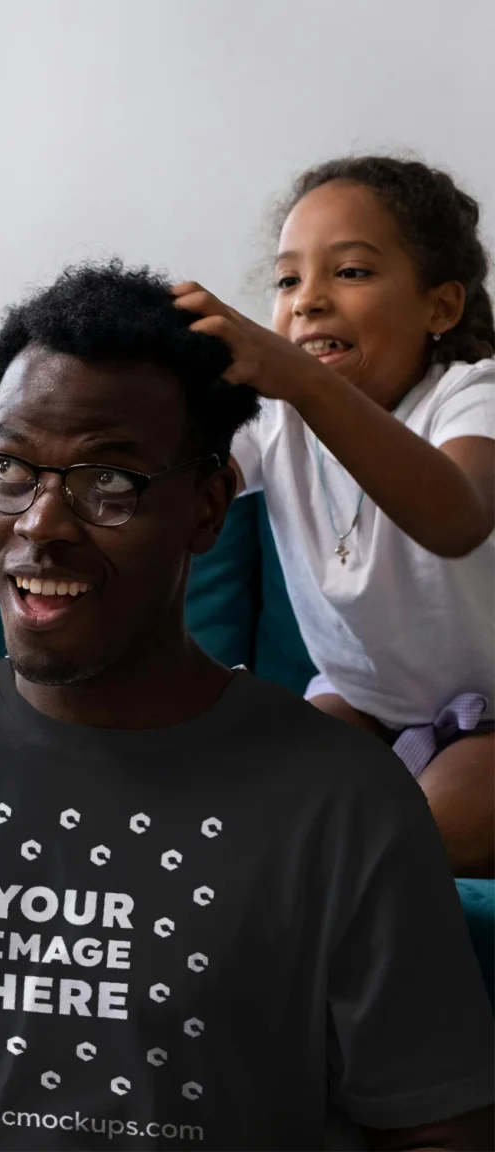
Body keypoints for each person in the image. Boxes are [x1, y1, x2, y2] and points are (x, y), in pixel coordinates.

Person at [0, 261, 495, 1151]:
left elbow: (442, 1135)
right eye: (11, 467)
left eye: (109, 483)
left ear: (208, 508)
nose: (42, 522)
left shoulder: (344, 802)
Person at [173, 156, 495, 880]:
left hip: (493, 721)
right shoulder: (275, 416)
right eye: (288, 280)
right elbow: (188, 489)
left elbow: (458, 518)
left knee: (418, 837)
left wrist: (301, 380)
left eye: (349, 272)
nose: (307, 300)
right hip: (364, 703)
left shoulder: (472, 395)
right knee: (248, 810)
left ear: (439, 308)